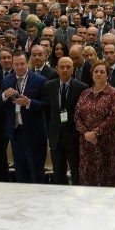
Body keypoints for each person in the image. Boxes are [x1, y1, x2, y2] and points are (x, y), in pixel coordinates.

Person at [75, 61, 115, 187]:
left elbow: (114, 117)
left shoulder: (114, 93)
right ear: (92, 74)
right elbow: (77, 116)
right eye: (96, 71)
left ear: (107, 75)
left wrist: (95, 132)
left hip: (111, 141)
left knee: (112, 177)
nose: (98, 74)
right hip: (88, 142)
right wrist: (87, 133)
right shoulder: (85, 93)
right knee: (90, 177)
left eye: (102, 72)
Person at [0, 52, 48, 183]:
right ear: (12, 65)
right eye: (16, 64)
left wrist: (29, 103)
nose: (19, 67)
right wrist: (4, 95)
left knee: (36, 171)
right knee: (20, 171)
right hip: (16, 132)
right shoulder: (7, 80)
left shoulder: (40, 80)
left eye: (22, 64)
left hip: (34, 133)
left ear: (28, 63)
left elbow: (46, 105)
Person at [43, 57, 87, 185]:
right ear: (56, 69)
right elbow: (47, 111)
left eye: (68, 67)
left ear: (73, 69)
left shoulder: (82, 88)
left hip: (74, 137)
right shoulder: (49, 86)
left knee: (77, 171)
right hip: (56, 137)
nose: (65, 70)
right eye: (62, 67)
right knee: (58, 172)